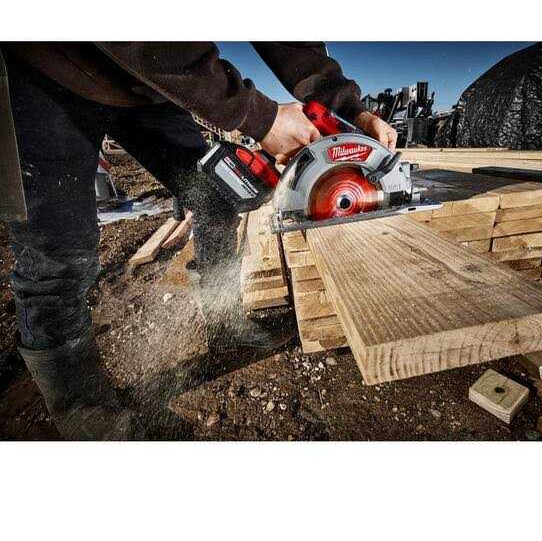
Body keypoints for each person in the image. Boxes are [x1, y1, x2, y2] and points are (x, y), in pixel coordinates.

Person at [0, 42, 397, 440]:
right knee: (57, 258)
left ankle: (224, 327)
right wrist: (261, 117)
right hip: (46, 73)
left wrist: (349, 110)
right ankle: (87, 416)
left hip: (146, 87)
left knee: (217, 196)